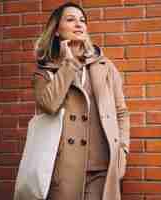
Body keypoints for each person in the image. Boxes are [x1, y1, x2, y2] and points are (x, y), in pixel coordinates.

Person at [32, 2, 130, 200]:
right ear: (57, 31)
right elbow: (49, 104)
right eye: (70, 20)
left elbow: (121, 112)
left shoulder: (105, 66)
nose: (79, 24)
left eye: (82, 20)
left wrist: (123, 151)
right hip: (64, 168)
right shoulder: (45, 72)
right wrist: (68, 63)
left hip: (103, 166)